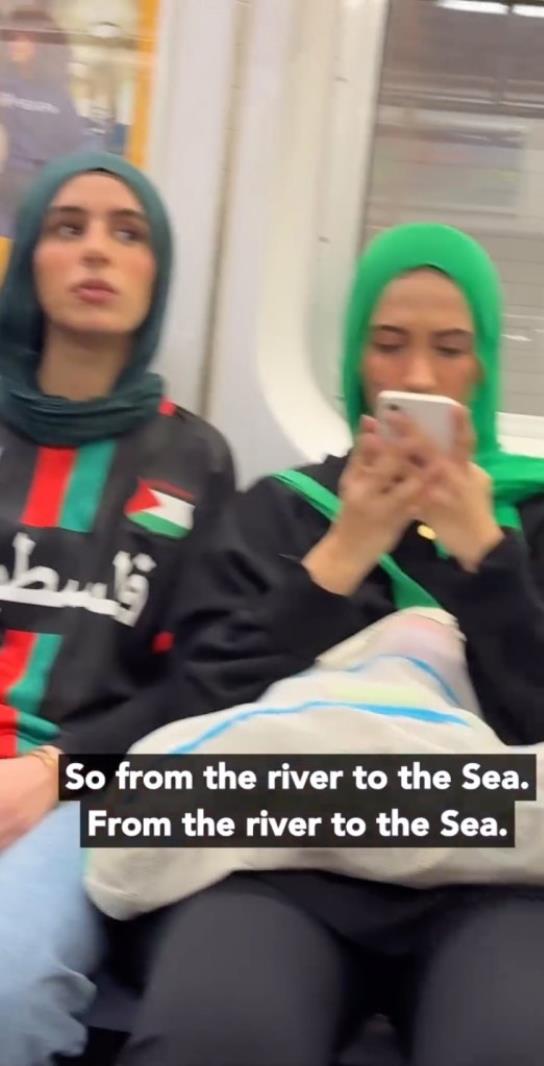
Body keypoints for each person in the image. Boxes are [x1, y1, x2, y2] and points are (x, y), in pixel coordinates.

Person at [115, 223, 544, 1066]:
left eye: (448, 349)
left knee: (525, 1045)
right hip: (282, 849)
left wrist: (486, 561)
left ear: (481, 367)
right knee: (216, 1039)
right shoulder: (281, 512)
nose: (416, 377)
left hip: (512, 865)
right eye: (388, 346)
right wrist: (340, 558)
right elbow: (189, 713)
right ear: (354, 362)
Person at [0, 150, 234, 1064]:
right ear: (30, 266)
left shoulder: (197, 461)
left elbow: (201, 687)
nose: (97, 250)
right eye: (69, 227)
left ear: (157, 275)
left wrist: (62, 771)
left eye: (126, 234)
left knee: (10, 986)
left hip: (82, 791)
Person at [0, 7, 87, 237]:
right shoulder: (6, 83)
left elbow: (76, 148)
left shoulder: (58, 98)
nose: (15, 44)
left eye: (25, 38)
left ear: (41, 45)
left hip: (40, 193)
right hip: (5, 188)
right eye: (12, 37)